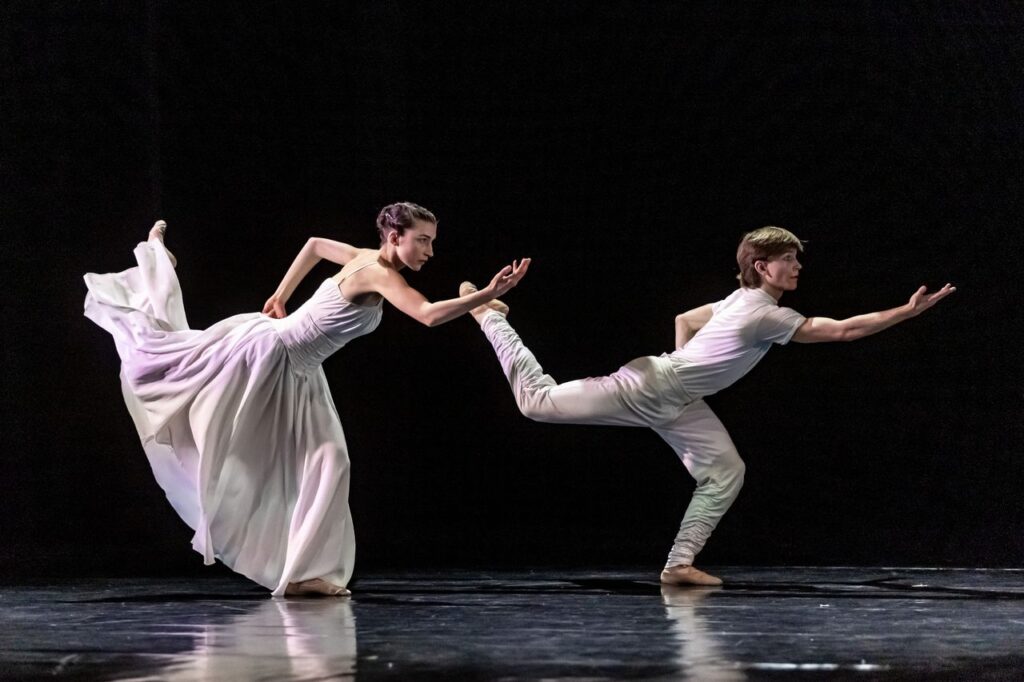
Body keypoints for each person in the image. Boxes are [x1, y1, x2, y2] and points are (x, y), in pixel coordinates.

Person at [460, 226, 954, 586]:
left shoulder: (737, 300)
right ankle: (490, 315)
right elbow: (842, 330)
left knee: (725, 471)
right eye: (789, 258)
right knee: (535, 402)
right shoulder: (764, 313)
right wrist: (905, 313)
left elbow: (685, 318)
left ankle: (678, 565)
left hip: (676, 396)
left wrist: (683, 370)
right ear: (762, 266)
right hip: (650, 387)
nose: (798, 266)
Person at [83, 202, 529, 597]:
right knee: (175, 371)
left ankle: (302, 573)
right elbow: (427, 316)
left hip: (302, 372)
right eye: (423, 240)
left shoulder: (364, 256)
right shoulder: (377, 272)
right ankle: (156, 262)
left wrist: (282, 293)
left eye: (432, 241)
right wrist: (488, 295)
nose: (430, 251)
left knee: (330, 462)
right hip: (272, 357)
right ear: (395, 237)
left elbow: (314, 245)